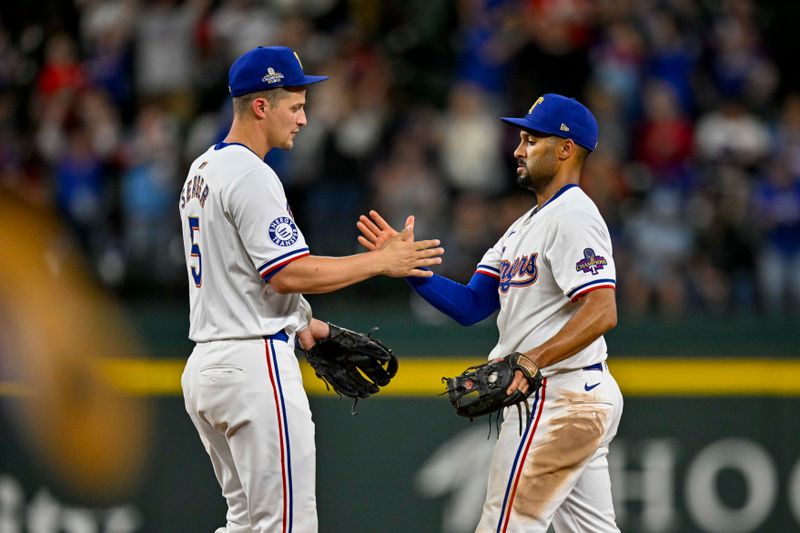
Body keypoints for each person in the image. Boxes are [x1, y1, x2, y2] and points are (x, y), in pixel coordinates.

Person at [178, 46, 443, 533]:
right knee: (287, 526)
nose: (303, 118)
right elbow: (288, 272)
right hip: (252, 365)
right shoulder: (251, 175)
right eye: (295, 106)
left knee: (246, 523)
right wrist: (381, 261)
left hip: (207, 368)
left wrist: (304, 323)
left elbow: (237, 272)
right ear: (262, 106)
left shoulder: (202, 170)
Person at [358, 94, 623, 532]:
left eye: (530, 139)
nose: (518, 150)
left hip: (557, 395)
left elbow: (602, 309)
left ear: (564, 149)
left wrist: (532, 359)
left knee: (505, 526)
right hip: (566, 395)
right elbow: (472, 305)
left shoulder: (574, 215)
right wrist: (407, 268)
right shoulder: (525, 225)